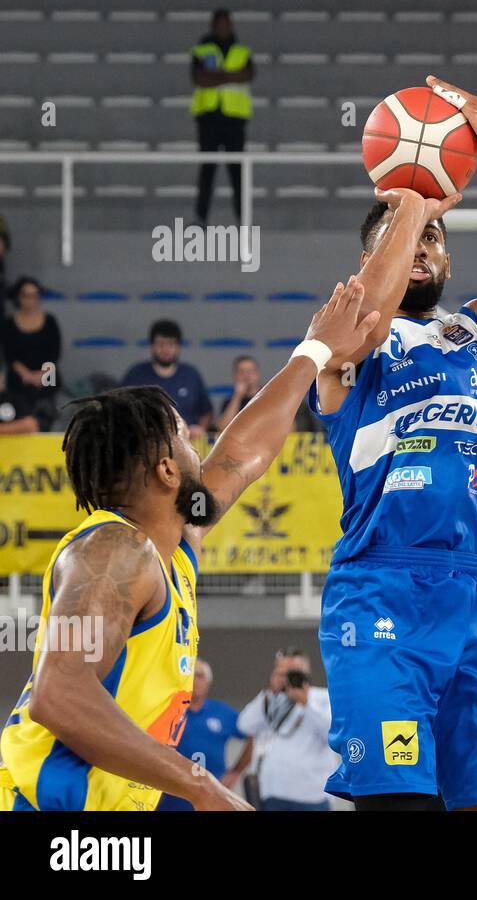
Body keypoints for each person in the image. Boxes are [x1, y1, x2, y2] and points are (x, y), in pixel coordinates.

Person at [0, 279, 379, 810]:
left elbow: (242, 455)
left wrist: (313, 352)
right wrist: (202, 786)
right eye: (184, 434)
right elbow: (58, 694)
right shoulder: (112, 551)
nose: (199, 442)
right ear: (166, 469)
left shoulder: (175, 539)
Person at [312, 76, 477, 812]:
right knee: (401, 806)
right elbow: (373, 309)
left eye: (434, 239)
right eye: (399, 240)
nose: (421, 246)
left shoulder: (475, 333)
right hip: (378, 591)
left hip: (467, 594)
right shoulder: (347, 329)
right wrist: (412, 203)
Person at [236, 649, 335, 811]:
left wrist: (306, 703)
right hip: (271, 795)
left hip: (311, 798)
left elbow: (332, 733)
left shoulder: (322, 697)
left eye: (293, 671)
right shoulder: (270, 700)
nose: (288, 677)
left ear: (306, 671)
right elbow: (243, 725)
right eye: (282, 672)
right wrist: (269, 693)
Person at [156, 659, 252, 811]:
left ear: (208, 682)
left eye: (200, 676)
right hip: (170, 796)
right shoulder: (169, 709)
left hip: (212, 795)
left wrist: (236, 771)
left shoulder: (222, 712)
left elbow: (252, 733)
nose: (195, 681)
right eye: (192, 675)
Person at [191, 9, 253, 224]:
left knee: (237, 171)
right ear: (214, 26)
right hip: (208, 118)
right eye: (220, 24)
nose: (223, 28)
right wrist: (230, 76)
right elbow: (199, 79)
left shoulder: (242, 51)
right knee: (207, 169)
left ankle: (242, 218)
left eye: (227, 24)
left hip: (234, 120)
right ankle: (201, 218)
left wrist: (217, 75)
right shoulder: (202, 49)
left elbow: (247, 75)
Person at [122, 319, 213, 437]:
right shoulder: (136, 374)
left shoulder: (191, 374)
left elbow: (206, 411)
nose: (165, 349)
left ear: (178, 346)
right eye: (160, 344)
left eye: (171, 344)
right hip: (147, 442)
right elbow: (121, 410)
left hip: (187, 442)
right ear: (152, 346)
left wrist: (201, 428)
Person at [1, 276, 61, 430]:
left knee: (49, 384)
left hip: (46, 372)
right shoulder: (9, 323)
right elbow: (10, 355)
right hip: (19, 374)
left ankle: (47, 425)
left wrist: (41, 374)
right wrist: (26, 374)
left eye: (35, 295)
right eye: (26, 295)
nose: (31, 300)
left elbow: (54, 352)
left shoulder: (50, 321)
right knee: (18, 389)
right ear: (18, 297)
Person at [214, 354, 318, 433]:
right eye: (242, 372)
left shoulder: (269, 397)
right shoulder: (230, 402)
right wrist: (237, 396)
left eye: (250, 371)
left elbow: (289, 428)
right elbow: (222, 429)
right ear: (235, 376)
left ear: (257, 374)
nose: (246, 376)